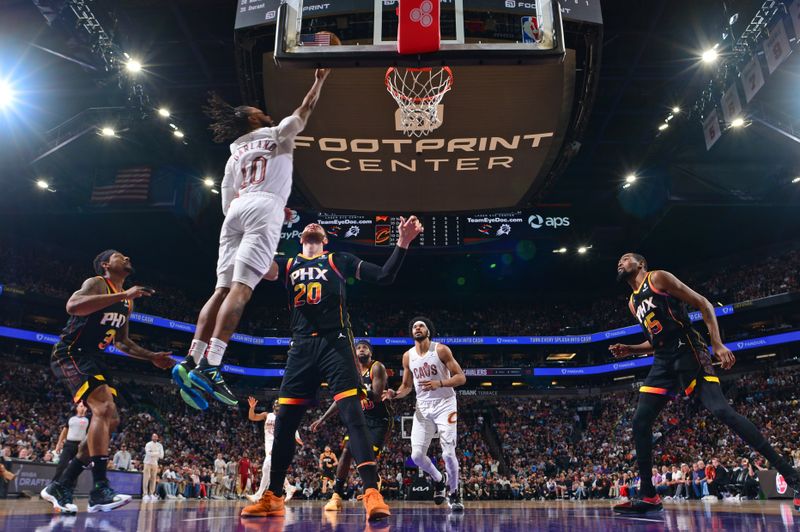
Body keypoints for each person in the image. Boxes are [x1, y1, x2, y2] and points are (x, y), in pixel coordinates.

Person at [241, 217, 423, 520]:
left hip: (335, 341)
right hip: (300, 346)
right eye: (308, 225)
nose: (313, 224)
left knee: (353, 414)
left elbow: (383, 276)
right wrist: (263, 220)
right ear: (300, 237)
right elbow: (255, 264)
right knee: (285, 420)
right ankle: (273, 495)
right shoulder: (286, 264)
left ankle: (371, 494)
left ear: (325, 239)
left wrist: (402, 242)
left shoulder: (338, 259)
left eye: (319, 226)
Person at [172, 69, 330, 409]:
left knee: (222, 289)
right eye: (257, 109)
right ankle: (212, 366)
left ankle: (191, 359)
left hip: (237, 212)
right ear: (251, 118)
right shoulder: (276, 134)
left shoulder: (234, 154)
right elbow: (306, 109)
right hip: (263, 208)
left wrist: (264, 204)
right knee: (242, 290)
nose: (264, 110)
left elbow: (228, 201)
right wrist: (318, 79)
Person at [610, 252, 800, 514]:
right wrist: (629, 350)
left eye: (626, 258)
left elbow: (703, 303)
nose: (621, 262)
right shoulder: (633, 302)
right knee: (640, 421)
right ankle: (649, 495)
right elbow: (654, 341)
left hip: (688, 349)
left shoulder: (657, 278)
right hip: (663, 360)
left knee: (721, 410)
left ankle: (793, 477)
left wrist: (717, 343)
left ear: (641, 264)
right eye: (619, 260)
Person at [41, 250, 174, 514]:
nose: (126, 258)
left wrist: (151, 357)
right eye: (119, 256)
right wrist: (124, 294)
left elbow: (122, 341)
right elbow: (72, 306)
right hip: (71, 353)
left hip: (95, 358)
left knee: (110, 419)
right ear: (105, 265)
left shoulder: (128, 302)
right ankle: (100, 488)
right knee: (102, 409)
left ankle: (62, 484)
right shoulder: (97, 283)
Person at [383, 317, 467, 512]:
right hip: (423, 406)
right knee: (417, 456)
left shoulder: (440, 350)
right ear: (411, 332)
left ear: (429, 330)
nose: (417, 328)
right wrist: (394, 394)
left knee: (448, 452)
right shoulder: (408, 356)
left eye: (421, 325)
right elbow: (406, 387)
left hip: (445, 404)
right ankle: (439, 480)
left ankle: (454, 494)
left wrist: (440, 383)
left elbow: (461, 377)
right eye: (414, 326)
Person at [311, 340, 392, 512]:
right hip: (360, 419)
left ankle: (372, 485)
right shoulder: (352, 373)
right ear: (354, 354)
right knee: (347, 452)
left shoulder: (377, 367)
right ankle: (336, 496)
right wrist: (323, 419)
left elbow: (377, 396)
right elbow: (341, 399)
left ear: (370, 352)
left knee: (368, 455)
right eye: (358, 348)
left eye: (365, 348)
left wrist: (355, 392)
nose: (361, 350)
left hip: (378, 421)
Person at [246, 397, 300, 503]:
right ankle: (288, 487)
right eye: (276, 403)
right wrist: (252, 408)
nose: (277, 405)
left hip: (277, 444)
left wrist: (297, 437)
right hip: (268, 446)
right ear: (273, 406)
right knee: (267, 469)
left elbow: (292, 428)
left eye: (279, 404)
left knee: (267, 466)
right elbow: (252, 417)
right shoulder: (267, 415)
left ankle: (258, 494)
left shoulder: (284, 417)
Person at [52, 402, 89, 482]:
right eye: (81, 406)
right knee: (61, 465)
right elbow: (64, 431)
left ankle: (70, 488)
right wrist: (59, 443)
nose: (83, 408)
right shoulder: (71, 418)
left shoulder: (88, 419)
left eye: (84, 406)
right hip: (69, 444)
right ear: (77, 408)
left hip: (80, 446)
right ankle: (53, 484)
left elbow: (89, 433)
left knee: (75, 468)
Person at [143, 433, 164, 502]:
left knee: (153, 478)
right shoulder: (148, 444)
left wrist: (153, 453)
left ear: (157, 438)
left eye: (156, 437)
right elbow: (148, 453)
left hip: (155, 463)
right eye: (153, 437)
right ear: (152, 437)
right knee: (146, 478)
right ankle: (145, 494)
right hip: (147, 462)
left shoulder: (160, 445)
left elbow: (162, 456)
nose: (155, 438)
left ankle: (151, 493)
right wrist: (157, 453)